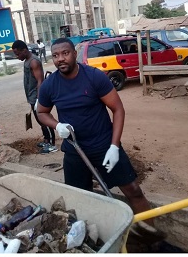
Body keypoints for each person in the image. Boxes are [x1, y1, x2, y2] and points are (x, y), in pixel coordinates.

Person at [37, 37, 156, 228]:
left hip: (103, 145)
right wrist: (57, 125)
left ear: (75, 54)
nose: (60, 59)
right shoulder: (50, 85)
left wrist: (114, 147)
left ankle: (152, 238)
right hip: (75, 150)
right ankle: (93, 236)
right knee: (79, 197)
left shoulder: (93, 77)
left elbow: (118, 109)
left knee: (133, 190)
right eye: (56, 55)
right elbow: (41, 112)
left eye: (65, 53)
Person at [11, 40, 56, 154]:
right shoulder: (27, 61)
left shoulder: (34, 62)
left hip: (37, 97)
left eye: (17, 54)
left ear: (24, 50)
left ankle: (51, 144)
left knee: (44, 120)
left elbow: (40, 81)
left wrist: (39, 100)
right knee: (40, 120)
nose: (17, 56)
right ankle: (46, 140)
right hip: (32, 96)